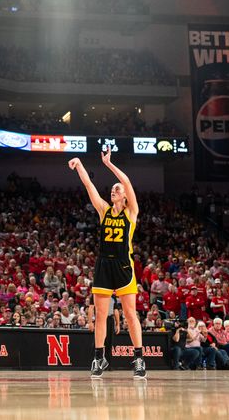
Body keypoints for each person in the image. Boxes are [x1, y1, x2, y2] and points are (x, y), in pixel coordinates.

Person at [69, 149, 146, 379]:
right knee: (100, 316)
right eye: (113, 188)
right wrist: (80, 165)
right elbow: (89, 187)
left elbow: (127, 181)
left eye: (117, 189)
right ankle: (98, 357)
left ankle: (139, 358)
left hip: (123, 266)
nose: (114, 189)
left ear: (124, 197)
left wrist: (109, 164)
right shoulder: (104, 211)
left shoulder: (131, 213)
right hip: (104, 265)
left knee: (130, 314)